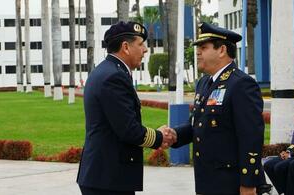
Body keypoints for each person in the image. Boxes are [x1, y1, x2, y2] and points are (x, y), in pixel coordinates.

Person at [76, 21, 176, 195]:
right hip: (109, 179)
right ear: (125, 47)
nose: (145, 49)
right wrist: (159, 137)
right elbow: (128, 129)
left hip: (104, 175)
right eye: (140, 44)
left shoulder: (107, 71)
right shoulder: (113, 77)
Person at [171, 22, 265, 195]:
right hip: (207, 179)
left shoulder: (241, 84)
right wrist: (173, 135)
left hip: (231, 182)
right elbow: (197, 125)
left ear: (222, 50)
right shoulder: (204, 83)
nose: (197, 52)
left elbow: (251, 137)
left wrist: (248, 182)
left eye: (203, 47)